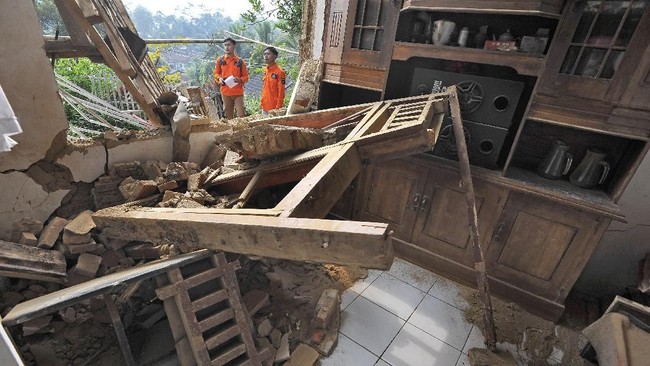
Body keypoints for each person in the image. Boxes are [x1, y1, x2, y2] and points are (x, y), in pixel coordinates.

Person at [213, 37, 249, 119]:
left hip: (238, 93)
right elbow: (216, 73)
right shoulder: (220, 60)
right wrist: (219, 79)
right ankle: (231, 131)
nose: (226, 47)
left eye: (229, 45)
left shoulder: (240, 61)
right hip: (226, 92)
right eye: (225, 45)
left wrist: (239, 79)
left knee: (241, 115)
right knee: (229, 116)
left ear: (234, 46)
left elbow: (246, 77)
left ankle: (243, 131)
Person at [260, 46, 286, 115]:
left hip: (274, 108)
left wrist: (278, 107)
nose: (266, 56)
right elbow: (264, 87)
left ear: (275, 56)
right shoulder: (265, 69)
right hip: (264, 106)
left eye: (268, 54)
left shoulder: (279, 72)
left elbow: (281, 91)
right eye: (264, 54)